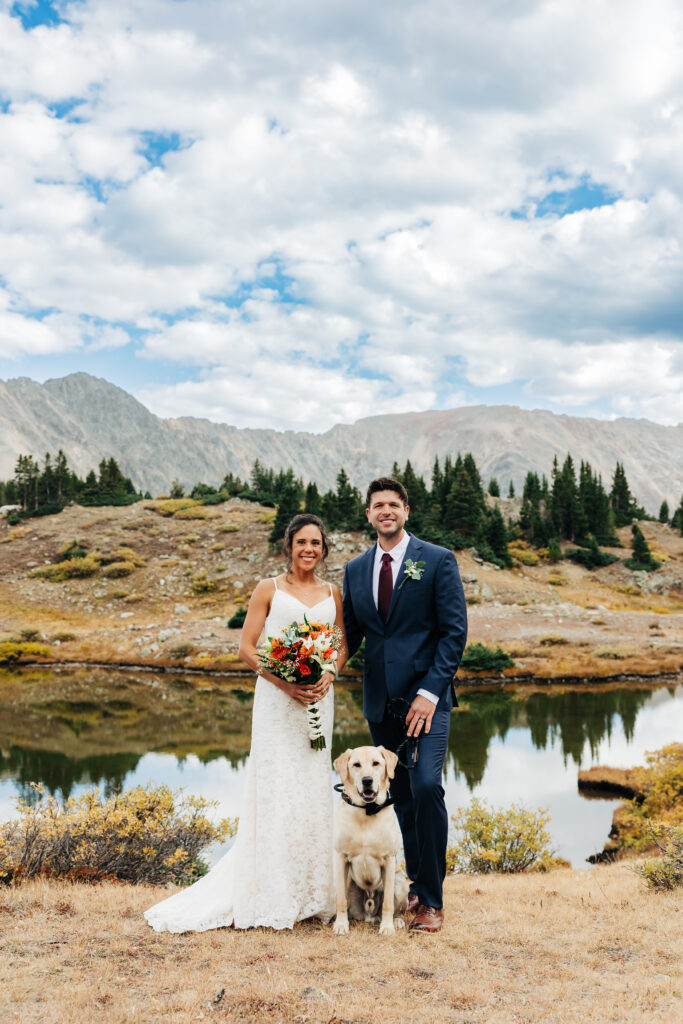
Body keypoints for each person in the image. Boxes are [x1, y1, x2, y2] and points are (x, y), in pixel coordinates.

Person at [144, 513, 347, 932]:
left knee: (311, 788)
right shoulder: (268, 588)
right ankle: (272, 892)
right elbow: (247, 649)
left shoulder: (333, 592)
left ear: (323, 548)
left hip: (318, 702)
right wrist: (286, 683)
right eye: (301, 542)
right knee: (276, 790)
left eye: (316, 543)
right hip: (277, 702)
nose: (308, 549)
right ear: (288, 547)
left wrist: (328, 674)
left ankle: (311, 892)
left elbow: (340, 644)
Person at [342, 477, 467, 933]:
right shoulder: (356, 569)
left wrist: (430, 693)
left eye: (393, 504)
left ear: (406, 511)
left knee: (428, 787)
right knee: (401, 798)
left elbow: (454, 634)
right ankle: (414, 887)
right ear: (369, 513)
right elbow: (352, 635)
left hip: (427, 702)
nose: (386, 511)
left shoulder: (436, 561)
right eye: (378, 505)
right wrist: (318, 670)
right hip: (381, 704)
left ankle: (432, 901)